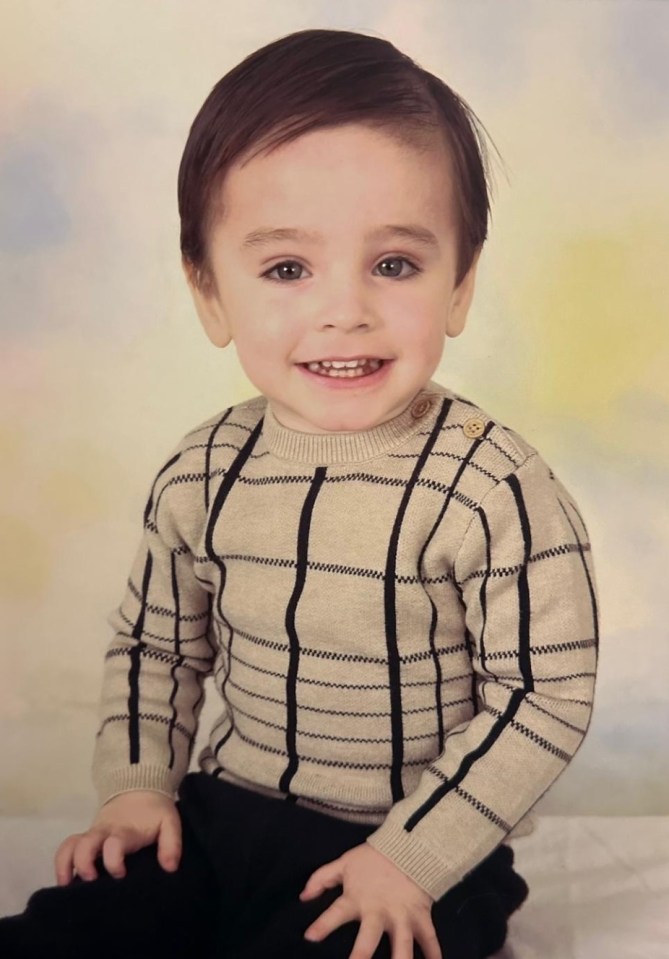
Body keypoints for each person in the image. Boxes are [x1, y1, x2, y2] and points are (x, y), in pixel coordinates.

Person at [0, 27, 598, 959]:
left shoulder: (489, 486)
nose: (343, 308)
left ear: (459, 285)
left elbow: (542, 694)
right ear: (208, 292)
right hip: (221, 819)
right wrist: (136, 786)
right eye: (286, 268)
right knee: (71, 934)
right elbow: (159, 642)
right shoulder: (205, 470)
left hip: (417, 853)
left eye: (393, 264)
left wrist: (414, 859)